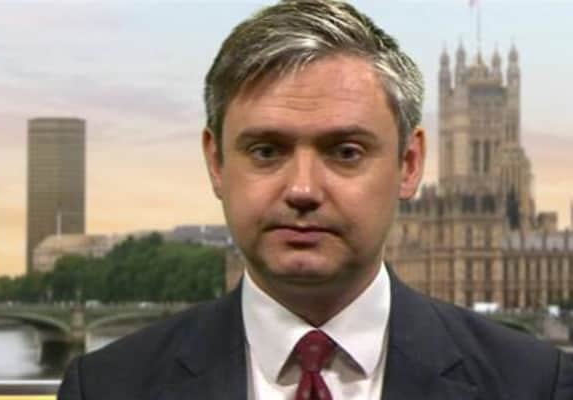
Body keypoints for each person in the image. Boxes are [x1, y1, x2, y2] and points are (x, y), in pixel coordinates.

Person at [58, 1, 573, 399]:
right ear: (216, 162)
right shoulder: (104, 388)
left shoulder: (536, 385)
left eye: (346, 152)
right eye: (266, 151)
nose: (302, 189)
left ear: (409, 164)